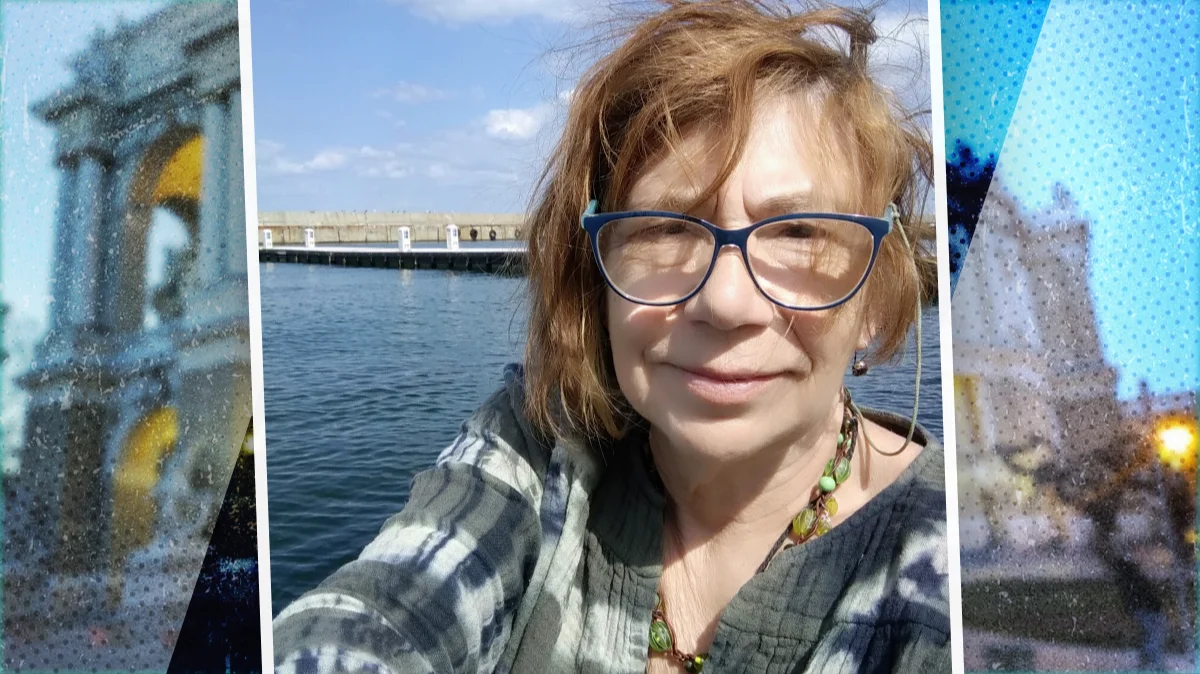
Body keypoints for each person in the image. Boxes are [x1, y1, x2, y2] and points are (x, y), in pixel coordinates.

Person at [273, 2, 949, 672]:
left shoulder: (956, 556)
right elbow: (380, 617)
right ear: (594, 274)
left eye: (799, 232)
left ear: (878, 294)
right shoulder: (543, 447)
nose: (725, 301)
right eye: (665, 227)